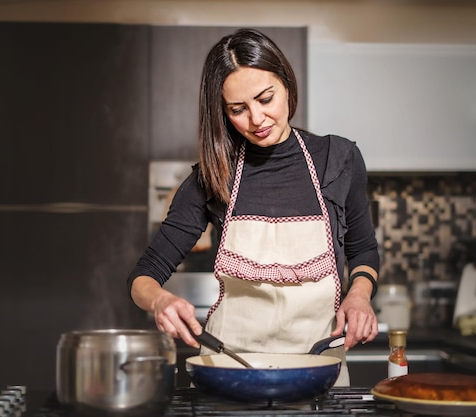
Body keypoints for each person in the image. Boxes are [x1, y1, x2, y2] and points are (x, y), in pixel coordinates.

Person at [128, 28, 380, 386]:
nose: (257, 119)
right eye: (238, 109)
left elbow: (363, 249)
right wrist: (158, 301)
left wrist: (359, 295)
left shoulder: (338, 160)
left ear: (287, 84)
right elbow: (144, 274)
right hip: (228, 374)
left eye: (266, 98)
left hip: (320, 371)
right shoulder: (214, 176)